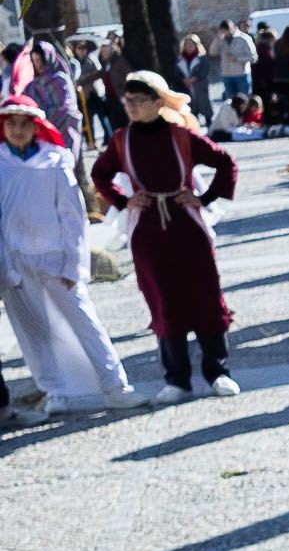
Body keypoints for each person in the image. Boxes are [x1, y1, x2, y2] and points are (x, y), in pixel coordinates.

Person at [91, 72, 239, 402]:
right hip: (147, 231)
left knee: (205, 297)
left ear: (158, 102)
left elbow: (225, 162)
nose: (131, 107)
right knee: (163, 301)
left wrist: (205, 198)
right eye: (127, 101)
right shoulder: (121, 140)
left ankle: (219, 372)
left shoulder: (180, 136)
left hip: (186, 226)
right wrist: (123, 200)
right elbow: (99, 174)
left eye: (139, 101)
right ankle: (177, 380)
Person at [0, 96, 131, 413]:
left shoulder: (55, 160)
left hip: (55, 258)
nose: (18, 130)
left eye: (24, 124)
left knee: (85, 322)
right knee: (34, 332)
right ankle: (55, 390)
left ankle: (115, 385)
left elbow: (72, 216)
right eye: (11, 123)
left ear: (36, 126)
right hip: (15, 263)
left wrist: (73, 264)